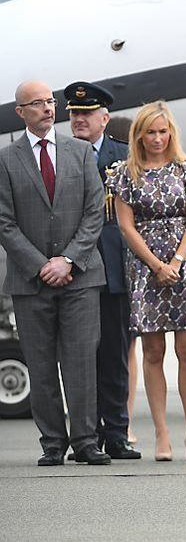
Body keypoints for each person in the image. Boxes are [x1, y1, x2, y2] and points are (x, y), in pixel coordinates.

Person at [0, 81, 109, 466]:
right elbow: (4, 221)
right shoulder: (6, 159)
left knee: (80, 360)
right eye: (38, 103)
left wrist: (69, 260)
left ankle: (85, 441)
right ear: (21, 111)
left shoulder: (80, 153)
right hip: (31, 281)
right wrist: (40, 265)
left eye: (50, 102)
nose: (48, 109)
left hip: (80, 276)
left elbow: (96, 212)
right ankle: (51, 443)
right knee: (41, 363)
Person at [109, 101, 186, 462]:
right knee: (153, 352)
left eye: (162, 131)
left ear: (171, 134)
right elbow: (125, 226)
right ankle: (162, 435)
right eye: (150, 132)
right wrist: (155, 264)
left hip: (184, 263)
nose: (157, 138)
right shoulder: (124, 173)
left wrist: (177, 261)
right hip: (145, 266)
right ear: (139, 135)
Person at [66, 81, 140, 461]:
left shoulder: (124, 156)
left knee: (114, 354)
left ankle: (117, 432)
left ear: (104, 118)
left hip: (112, 269)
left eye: (86, 114)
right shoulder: (60, 155)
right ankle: (84, 434)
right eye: (74, 114)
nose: (79, 120)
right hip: (73, 269)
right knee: (81, 356)